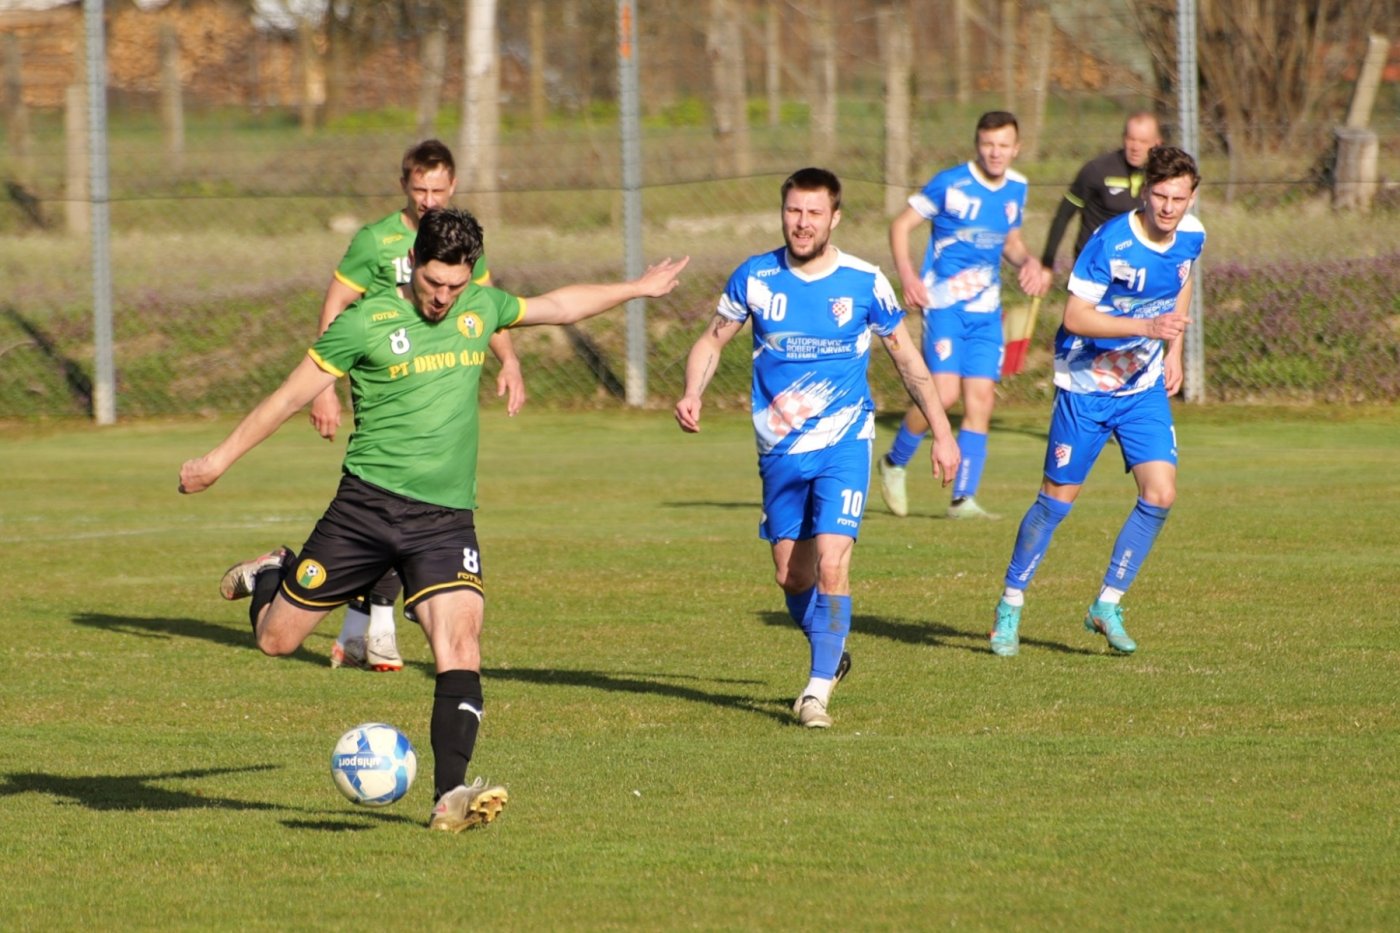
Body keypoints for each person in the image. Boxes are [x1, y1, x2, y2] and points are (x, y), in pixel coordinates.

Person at [180, 207, 688, 830]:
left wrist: (636, 288)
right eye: (433, 282)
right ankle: (271, 571)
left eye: (455, 284)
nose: (444, 297)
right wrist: (216, 461)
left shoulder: (480, 306)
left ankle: (450, 796)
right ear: (413, 262)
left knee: (461, 644)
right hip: (363, 512)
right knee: (275, 641)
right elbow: (287, 397)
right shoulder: (364, 321)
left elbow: (558, 305)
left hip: (445, 520)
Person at [674, 167, 959, 729]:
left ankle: (816, 692)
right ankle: (833, 650)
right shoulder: (756, 277)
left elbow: (907, 359)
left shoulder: (864, 281)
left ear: (835, 218)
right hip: (780, 451)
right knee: (792, 577)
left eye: (813, 213)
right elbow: (711, 341)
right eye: (793, 211)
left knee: (832, 563)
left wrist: (943, 432)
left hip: (844, 443)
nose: (802, 223)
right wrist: (692, 391)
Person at [312, 139, 527, 674]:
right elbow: (336, 305)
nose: (428, 199)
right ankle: (375, 625)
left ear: (452, 186)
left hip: (437, 374)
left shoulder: (457, 242)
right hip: (384, 377)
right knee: (390, 492)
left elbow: (485, 307)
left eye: (438, 189)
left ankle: (363, 629)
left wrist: (509, 359)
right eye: (419, 189)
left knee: (407, 498)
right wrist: (323, 385)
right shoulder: (375, 240)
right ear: (404, 186)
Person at [989, 146, 1205, 658]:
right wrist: (1146, 327)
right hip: (1085, 387)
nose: (1169, 207)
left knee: (1161, 493)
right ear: (1144, 192)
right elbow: (1075, 317)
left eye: (1179, 198)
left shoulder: (1193, 235)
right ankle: (1010, 603)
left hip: (1141, 388)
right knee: (1055, 502)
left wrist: (1173, 350)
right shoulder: (1110, 243)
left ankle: (1107, 605)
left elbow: (1183, 280)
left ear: (1192, 197)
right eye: (1160, 196)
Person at [876, 111, 1052, 521]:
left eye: (1003, 145)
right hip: (944, 306)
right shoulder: (949, 184)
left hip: (986, 313)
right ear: (977, 145)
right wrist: (908, 276)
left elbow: (1010, 241)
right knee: (944, 395)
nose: (995, 152)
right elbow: (900, 226)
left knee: (981, 400)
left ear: (1016, 148)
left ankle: (962, 499)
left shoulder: (1017, 187)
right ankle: (894, 461)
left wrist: (1028, 262)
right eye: (988, 144)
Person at [1039, 111, 1164, 271]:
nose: (1135, 147)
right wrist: (1047, 264)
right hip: (1094, 266)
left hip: (1138, 267)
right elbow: (1063, 215)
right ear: (1123, 138)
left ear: (1157, 143)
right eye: (1131, 139)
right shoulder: (1097, 170)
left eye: (1143, 141)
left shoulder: (1162, 176)